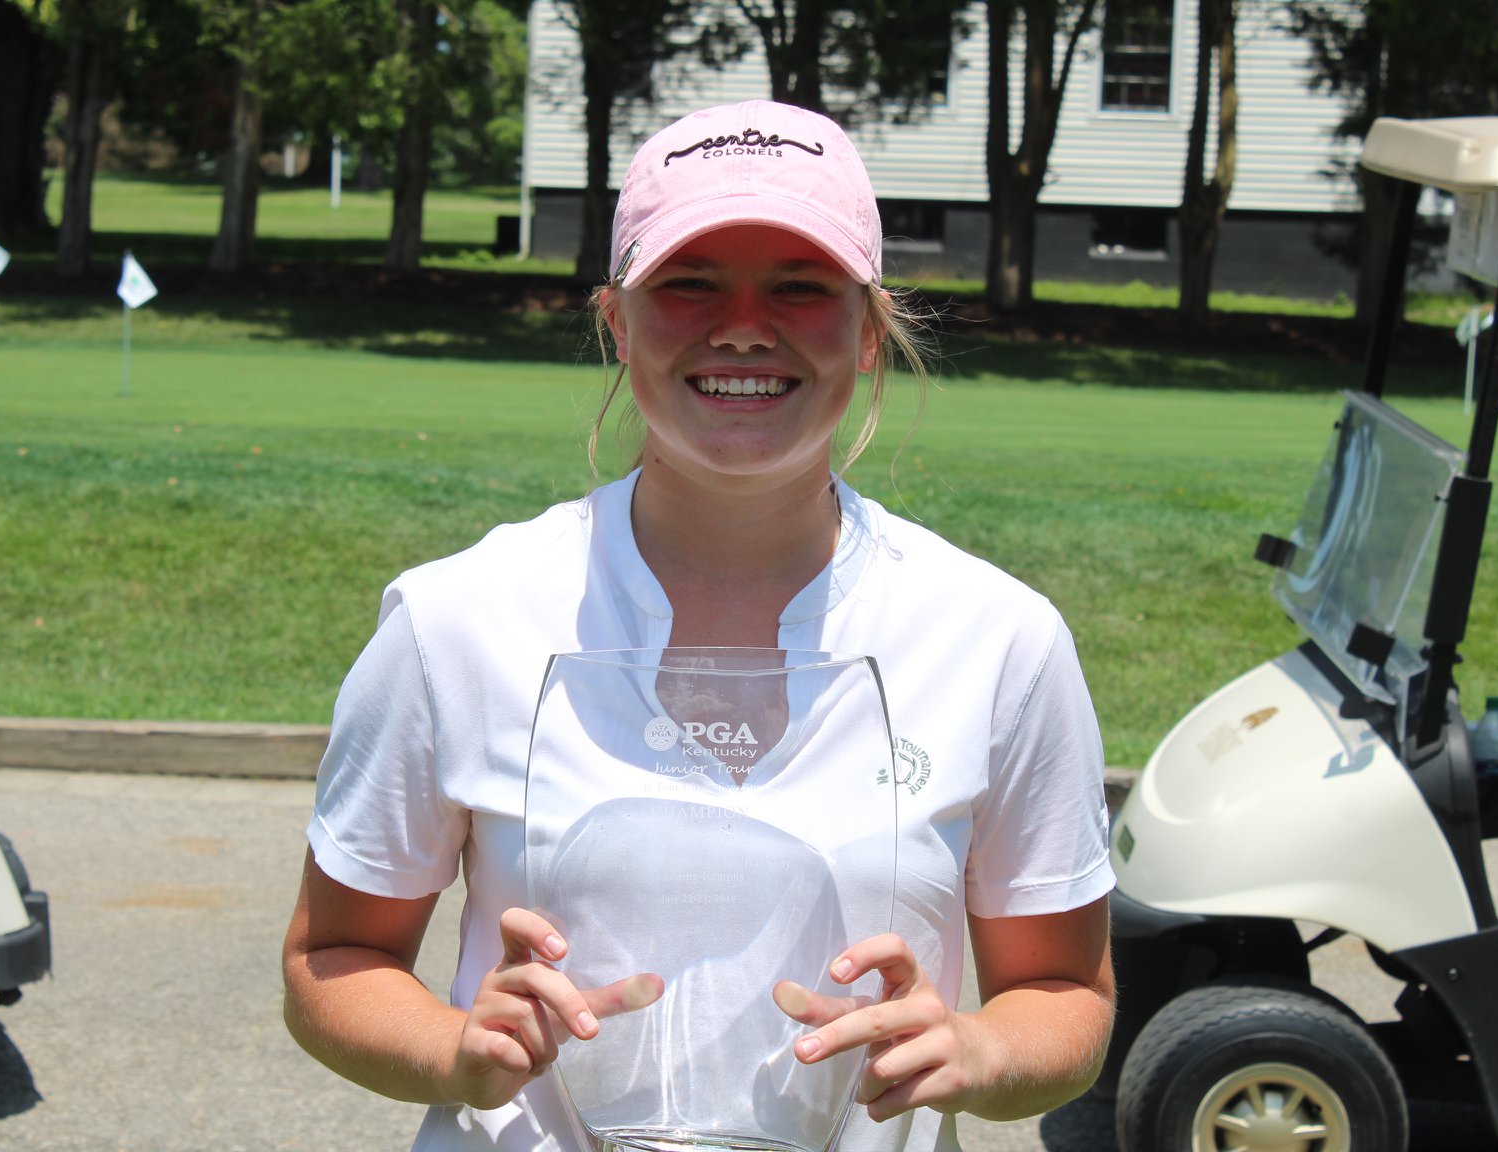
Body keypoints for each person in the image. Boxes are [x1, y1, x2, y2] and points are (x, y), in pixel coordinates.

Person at [282, 99, 1115, 1152]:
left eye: (802, 286)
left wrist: (982, 1052)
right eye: (690, 281)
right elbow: (332, 959)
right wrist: (453, 1049)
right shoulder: (457, 619)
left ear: (869, 331)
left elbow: (1065, 989)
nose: (743, 326)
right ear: (618, 322)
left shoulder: (999, 639)